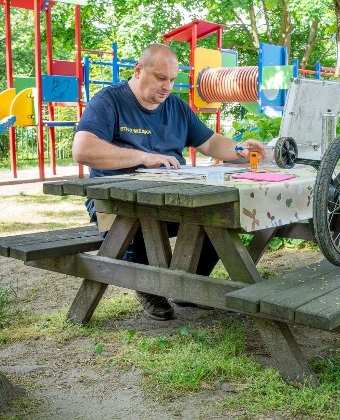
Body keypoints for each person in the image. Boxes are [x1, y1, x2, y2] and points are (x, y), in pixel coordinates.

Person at [72, 43, 266, 321]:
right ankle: (150, 287)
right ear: (138, 70)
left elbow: (210, 142)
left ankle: (189, 285)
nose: (167, 87)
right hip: (114, 204)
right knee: (138, 222)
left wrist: (239, 150)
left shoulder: (175, 106)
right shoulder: (109, 101)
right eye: (161, 78)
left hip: (173, 199)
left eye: (172, 80)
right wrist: (142, 156)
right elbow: (82, 150)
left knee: (222, 214)